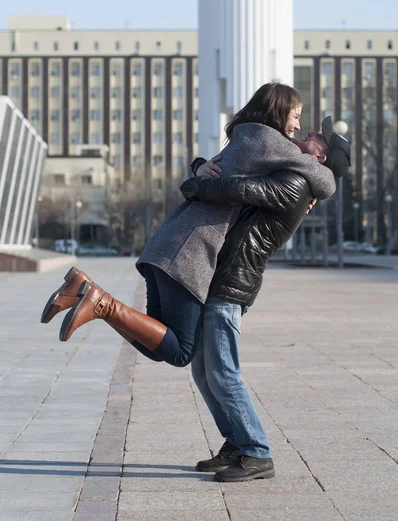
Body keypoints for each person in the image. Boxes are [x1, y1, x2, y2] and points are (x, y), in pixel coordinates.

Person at [41, 83, 336, 371]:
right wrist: (312, 191)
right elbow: (326, 181)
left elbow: (221, 172)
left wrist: (198, 166)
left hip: (170, 242)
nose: (298, 126)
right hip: (190, 251)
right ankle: (100, 302)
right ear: (279, 110)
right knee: (182, 351)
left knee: (156, 340)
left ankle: (85, 291)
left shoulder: (245, 135)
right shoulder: (271, 142)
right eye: (295, 116)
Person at [180, 115, 351, 482]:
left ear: (320, 158)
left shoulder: (294, 182)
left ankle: (257, 452)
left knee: (223, 372)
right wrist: (201, 165)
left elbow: (238, 189)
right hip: (221, 277)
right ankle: (236, 443)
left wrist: (194, 184)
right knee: (202, 370)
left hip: (232, 283)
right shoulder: (294, 175)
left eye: (319, 136)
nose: (311, 132)